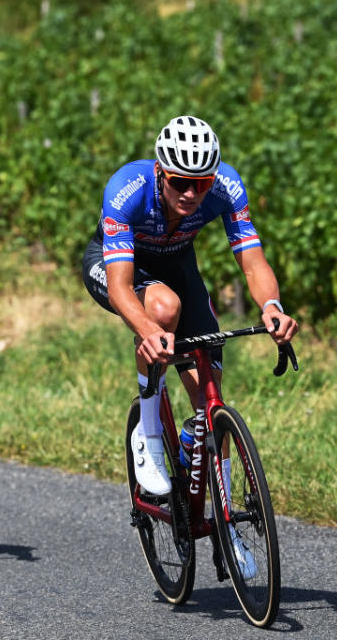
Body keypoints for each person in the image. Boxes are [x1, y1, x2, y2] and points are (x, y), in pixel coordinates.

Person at [81, 115, 298, 576]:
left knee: (209, 401)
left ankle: (224, 524)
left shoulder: (226, 188)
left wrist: (272, 306)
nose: (190, 194)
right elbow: (121, 288)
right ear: (161, 172)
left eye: (200, 185)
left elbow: (253, 262)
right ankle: (149, 431)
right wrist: (148, 330)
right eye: (180, 182)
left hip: (178, 263)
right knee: (161, 309)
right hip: (117, 266)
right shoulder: (128, 188)